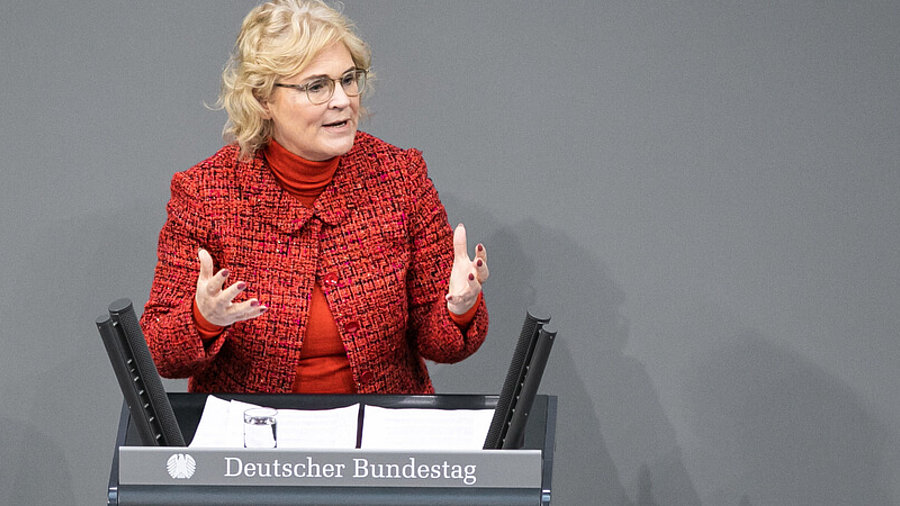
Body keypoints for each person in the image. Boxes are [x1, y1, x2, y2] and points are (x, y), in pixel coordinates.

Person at [140, 0, 488, 395]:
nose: (342, 99)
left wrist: (458, 309)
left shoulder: (400, 177)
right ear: (263, 99)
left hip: (381, 436)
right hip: (252, 441)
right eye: (317, 86)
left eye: (348, 79)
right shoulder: (204, 193)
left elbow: (439, 341)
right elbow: (158, 350)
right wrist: (202, 318)